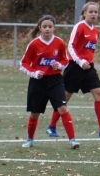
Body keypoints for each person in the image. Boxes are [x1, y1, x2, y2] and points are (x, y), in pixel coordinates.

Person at [46, 2, 100, 139]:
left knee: (98, 94)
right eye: (90, 12)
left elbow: (88, 50)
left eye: (95, 12)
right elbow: (71, 46)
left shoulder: (96, 31)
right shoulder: (79, 27)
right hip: (75, 67)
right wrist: (80, 61)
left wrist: (87, 62)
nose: (93, 14)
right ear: (84, 13)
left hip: (88, 67)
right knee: (64, 98)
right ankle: (51, 127)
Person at [19, 15, 78, 149]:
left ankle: (72, 140)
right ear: (40, 28)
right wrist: (34, 73)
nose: (47, 29)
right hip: (38, 82)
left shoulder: (59, 43)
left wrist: (60, 65)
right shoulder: (34, 44)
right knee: (35, 112)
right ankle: (29, 139)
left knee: (63, 108)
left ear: (54, 28)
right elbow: (23, 64)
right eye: (44, 26)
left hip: (55, 80)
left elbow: (65, 60)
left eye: (50, 27)